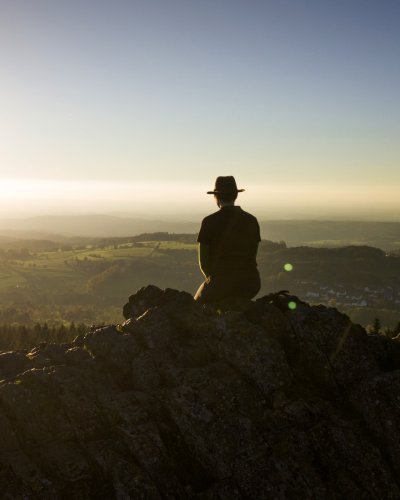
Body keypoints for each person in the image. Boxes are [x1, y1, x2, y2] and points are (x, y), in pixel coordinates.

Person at [194, 176, 261, 303]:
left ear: (216, 197)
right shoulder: (251, 220)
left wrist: (213, 280)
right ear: (236, 195)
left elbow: (203, 263)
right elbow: (252, 256)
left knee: (195, 306)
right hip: (251, 285)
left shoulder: (209, 222)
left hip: (220, 285)